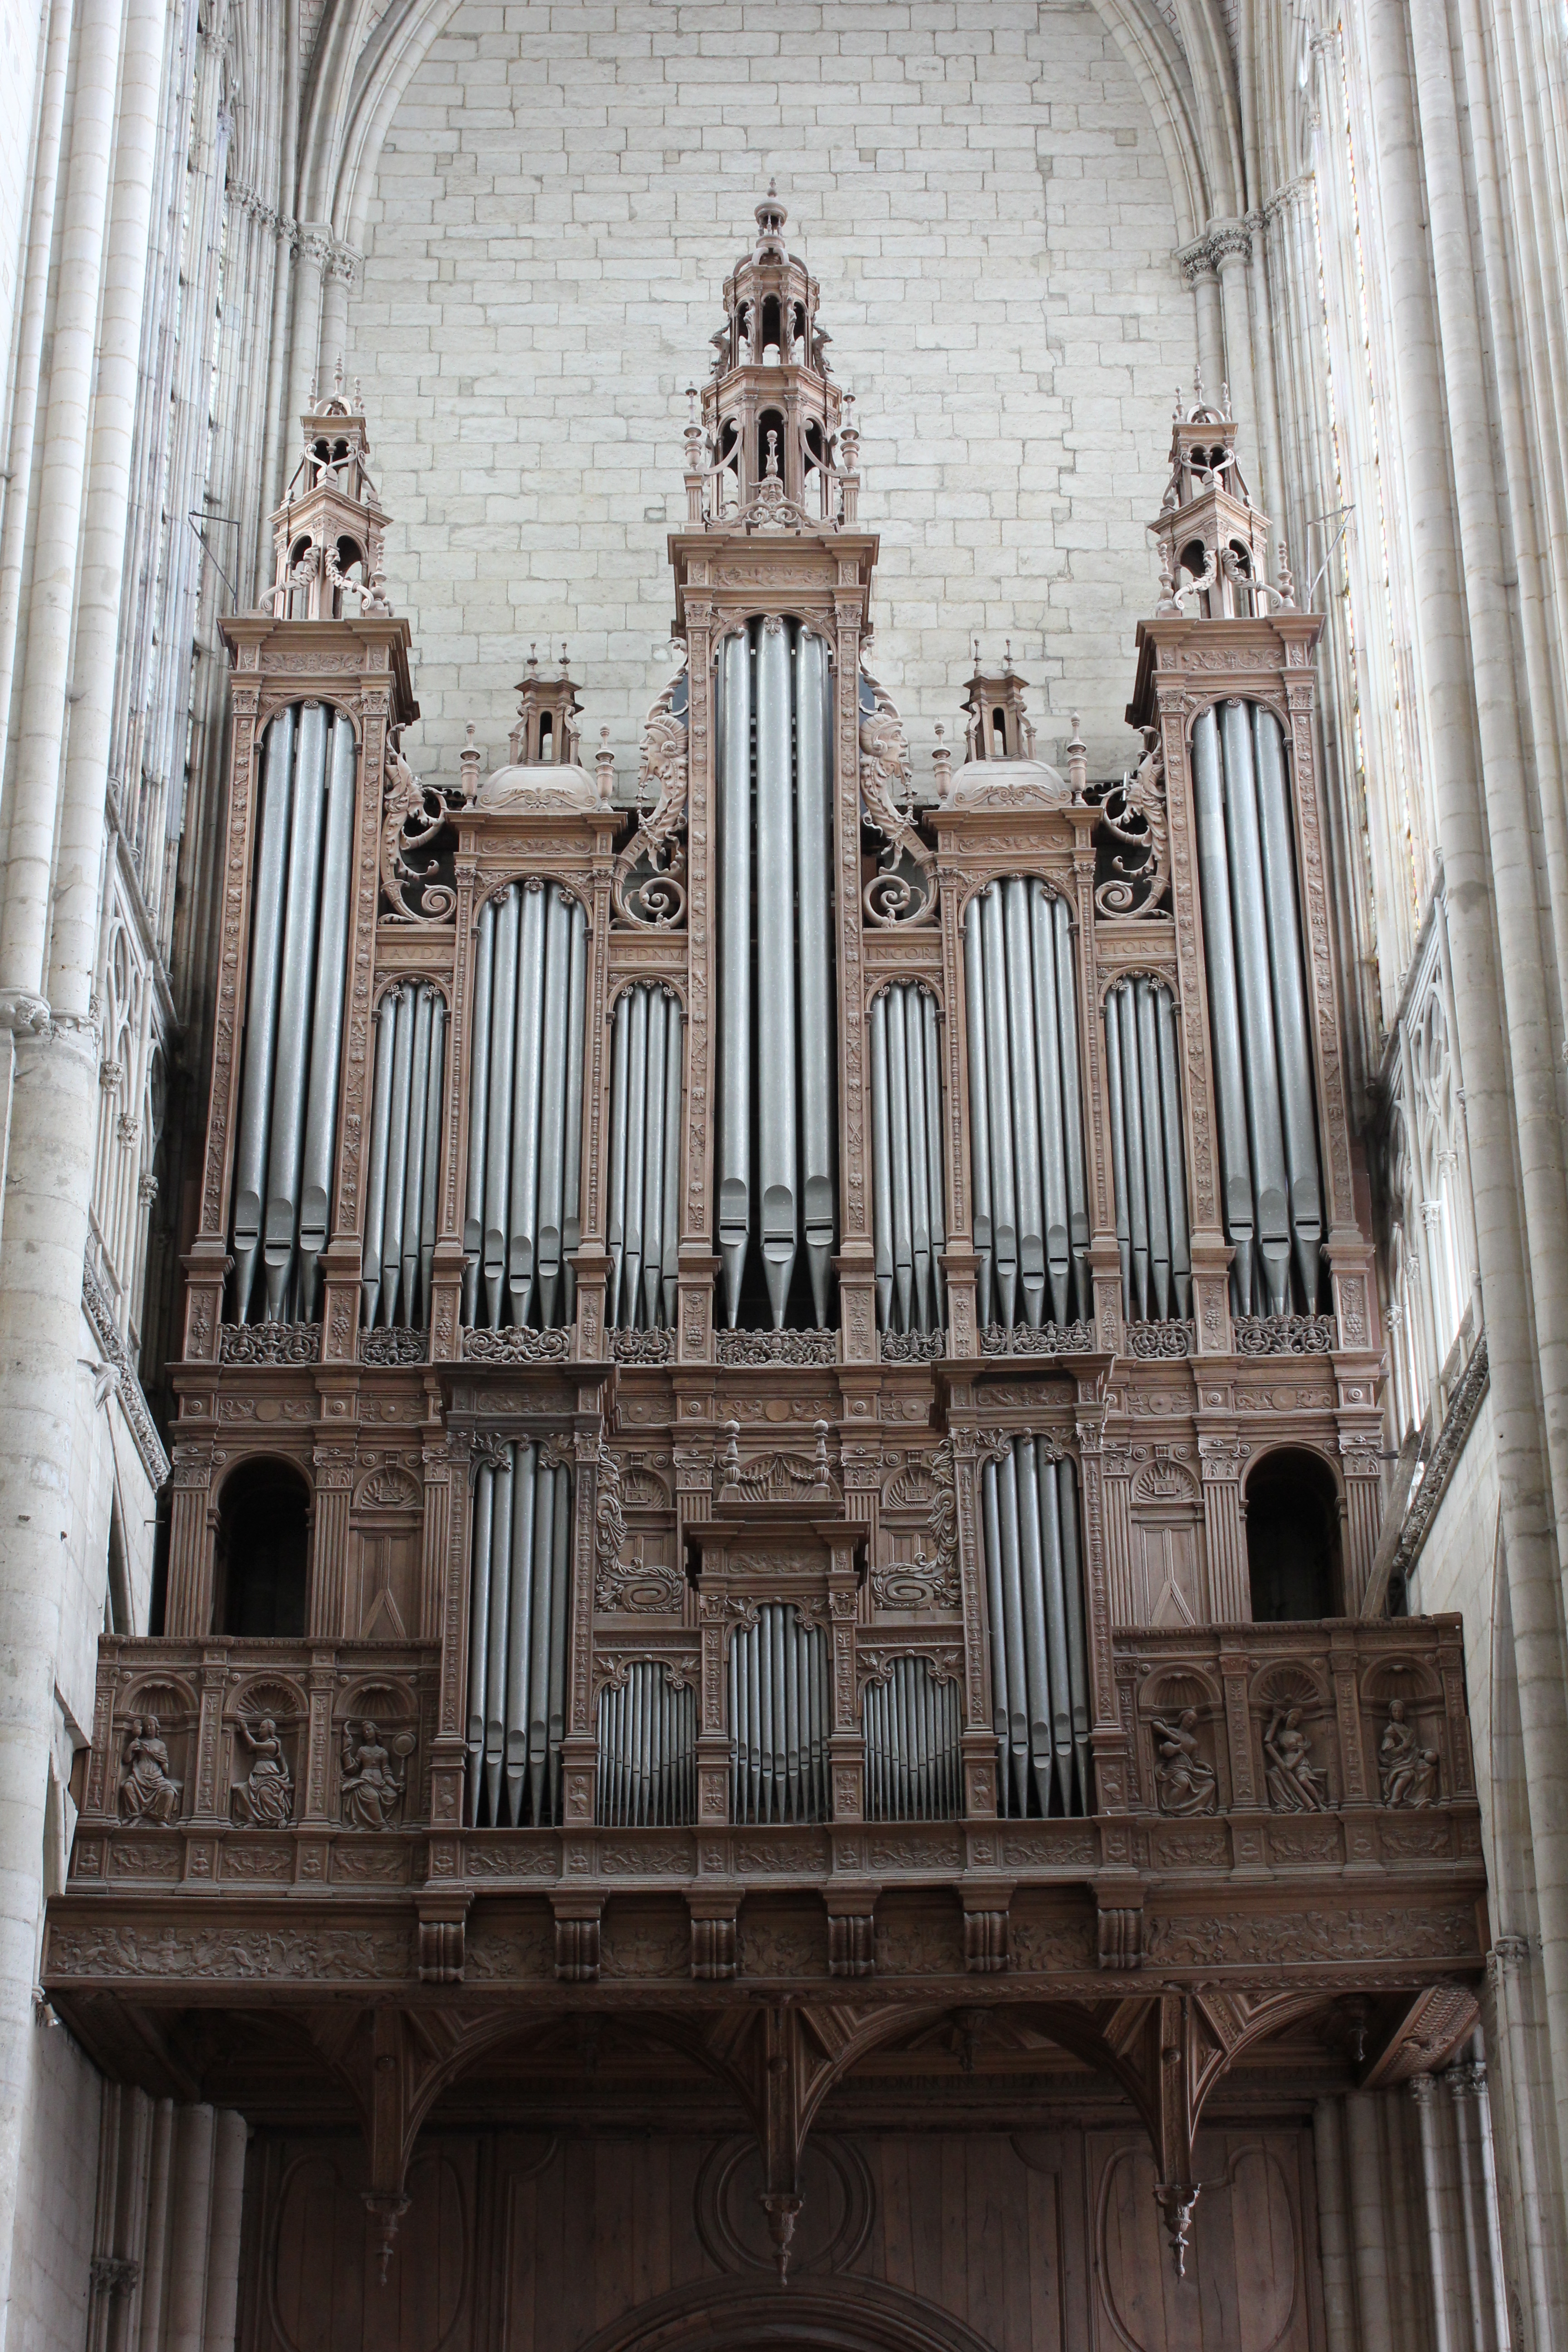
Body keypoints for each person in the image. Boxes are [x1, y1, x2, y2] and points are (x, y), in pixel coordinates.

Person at [339, 1718, 407, 1831]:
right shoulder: (362, 1751)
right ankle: (381, 1824)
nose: (366, 1733)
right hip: (365, 1782)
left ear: (375, 1731)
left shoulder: (383, 1752)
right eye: (364, 1731)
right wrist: (347, 1750)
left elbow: (386, 1773)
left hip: (379, 1783)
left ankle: (378, 1822)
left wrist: (394, 1785)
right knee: (373, 1796)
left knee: (393, 1795)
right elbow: (352, 1769)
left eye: (368, 1730)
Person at [1151, 1709, 1217, 1816]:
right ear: (1183, 1717)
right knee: (1183, 1781)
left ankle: (1195, 1808)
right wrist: (1170, 1735)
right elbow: (1155, 1724)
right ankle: (1171, 1808)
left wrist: (1205, 1765)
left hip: (1189, 1770)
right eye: (1189, 1719)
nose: (1190, 1722)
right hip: (1174, 1769)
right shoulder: (1174, 1732)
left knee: (1210, 1784)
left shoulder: (1193, 1742)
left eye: (1193, 1721)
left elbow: (1194, 1761)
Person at [231, 1715, 293, 1828]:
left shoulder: (273, 1744)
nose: (260, 1730)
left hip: (269, 1776)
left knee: (265, 1792)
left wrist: (245, 1730)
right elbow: (250, 1749)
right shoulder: (264, 1743)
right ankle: (253, 1820)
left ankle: (279, 1817)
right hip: (257, 1775)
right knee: (242, 1790)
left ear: (270, 1730)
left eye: (262, 1728)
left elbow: (253, 1745)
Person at [1264, 1706, 1328, 1813]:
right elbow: (1269, 1746)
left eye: (1295, 1721)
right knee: (1272, 1774)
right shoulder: (1281, 1736)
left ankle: (1319, 1803)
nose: (1293, 1722)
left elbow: (1301, 1753)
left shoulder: (1298, 1736)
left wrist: (1293, 1765)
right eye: (1292, 1719)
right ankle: (1289, 1803)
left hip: (1299, 1763)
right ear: (1287, 1718)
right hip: (1285, 1762)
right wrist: (1273, 1726)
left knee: (1303, 1780)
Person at [120, 1715, 182, 1823]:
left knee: (170, 1792)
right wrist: (131, 1747)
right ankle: (135, 1816)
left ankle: (160, 1818)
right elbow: (127, 1760)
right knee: (128, 1786)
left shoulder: (161, 1745)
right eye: (147, 1726)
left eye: (151, 1726)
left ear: (156, 1727)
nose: (149, 1728)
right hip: (139, 1774)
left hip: (156, 1776)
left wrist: (163, 1762)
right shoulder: (139, 1742)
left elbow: (166, 1769)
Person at [1379, 1697, 1438, 1808]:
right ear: (1391, 1713)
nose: (1398, 1714)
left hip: (1411, 1760)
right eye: (1395, 1711)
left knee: (1428, 1769)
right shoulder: (1391, 1730)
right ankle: (1394, 1802)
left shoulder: (1407, 1729)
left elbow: (1413, 1749)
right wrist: (1402, 1747)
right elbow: (1389, 1752)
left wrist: (1423, 1753)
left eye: (1400, 1711)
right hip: (1398, 1761)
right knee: (1407, 1774)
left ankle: (1422, 1801)